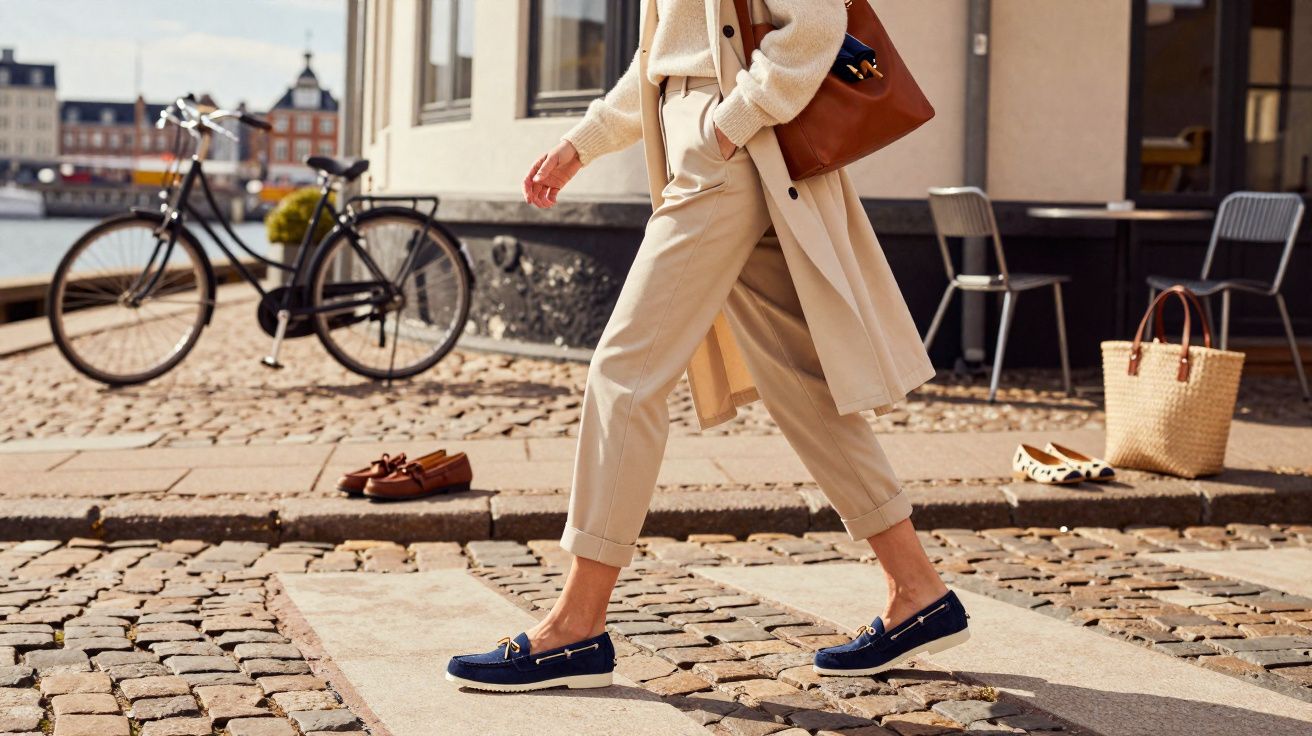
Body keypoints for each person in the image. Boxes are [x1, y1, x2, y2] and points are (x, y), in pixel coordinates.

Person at [445, 0, 969, 693]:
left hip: (725, 157)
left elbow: (813, 24)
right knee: (802, 388)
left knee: (625, 375)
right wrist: (583, 142)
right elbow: (666, 61)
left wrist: (729, 126)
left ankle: (576, 625)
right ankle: (918, 590)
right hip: (711, 149)